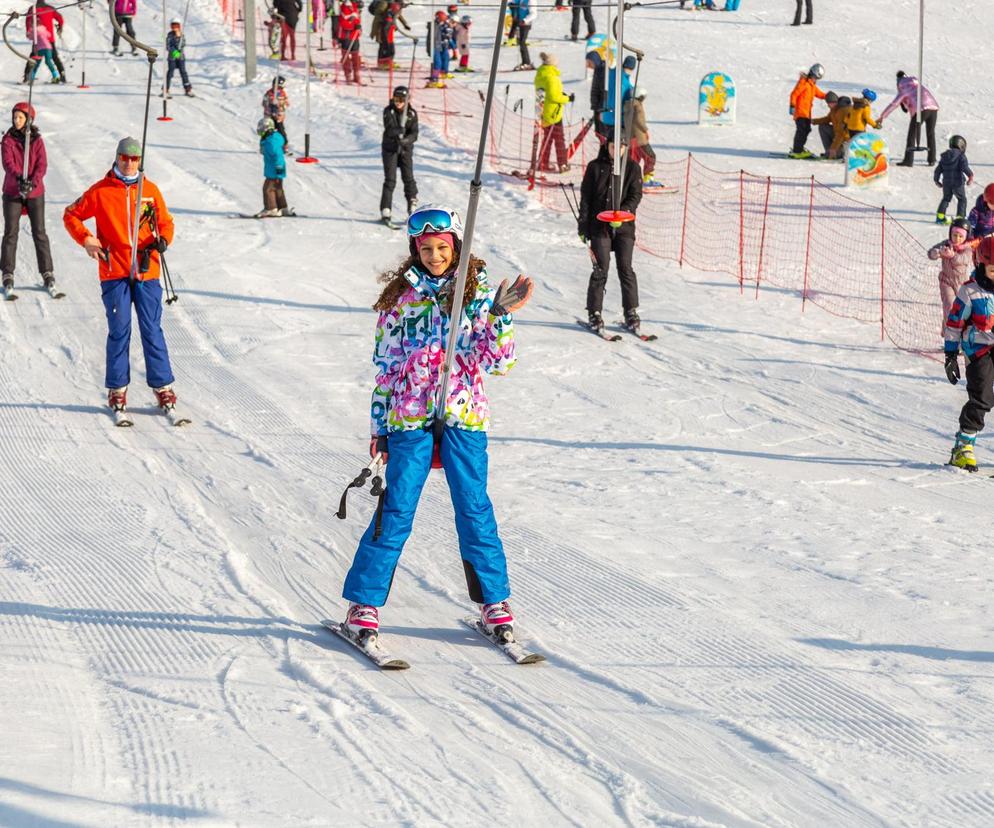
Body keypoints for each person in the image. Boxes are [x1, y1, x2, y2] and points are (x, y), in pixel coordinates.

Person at [339, 205, 534, 642]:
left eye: (442, 248)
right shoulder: (400, 299)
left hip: (464, 414)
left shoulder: (476, 294)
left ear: (456, 247)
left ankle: (494, 603)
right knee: (396, 510)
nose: (434, 256)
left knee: (474, 509)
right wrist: (379, 427)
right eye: (425, 248)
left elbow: (499, 362)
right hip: (410, 417)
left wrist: (499, 317)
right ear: (415, 249)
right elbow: (386, 367)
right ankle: (362, 607)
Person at [62, 137, 179, 418]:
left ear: (140, 162)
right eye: (124, 157)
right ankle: (117, 389)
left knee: (152, 328)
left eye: (134, 159)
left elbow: (165, 222)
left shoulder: (149, 190)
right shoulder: (101, 191)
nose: (128, 163)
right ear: (116, 158)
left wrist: (164, 239)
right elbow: (71, 215)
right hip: (113, 269)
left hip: (146, 268)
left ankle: (162, 387)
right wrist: (88, 239)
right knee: (120, 329)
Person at [578, 138, 643, 333]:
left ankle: (631, 311)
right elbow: (586, 198)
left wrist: (622, 213)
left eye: (621, 147)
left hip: (624, 228)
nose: (617, 150)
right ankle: (594, 313)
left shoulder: (632, 168)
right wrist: (583, 226)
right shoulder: (595, 167)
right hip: (599, 227)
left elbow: (635, 195)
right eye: (614, 146)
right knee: (600, 269)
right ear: (607, 146)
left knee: (626, 268)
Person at [944, 237, 994, 471]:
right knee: (982, 397)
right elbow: (954, 323)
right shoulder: (970, 290)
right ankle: (963, 447)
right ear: (982, 265)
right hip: (979, 350)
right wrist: (951, 355)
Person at [1, 102, 56, 295]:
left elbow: (42, 164)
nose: (16, 121)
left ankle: (47, 272)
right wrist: (19, 178)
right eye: (14, 117)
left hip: (35, 192)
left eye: (20, 118)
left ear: (29, 120)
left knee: (39, 232)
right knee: (10, 233)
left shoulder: (36, 140)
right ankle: (7, 273)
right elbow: (8, 163)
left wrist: (32, 182)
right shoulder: (7, 140)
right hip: (12, 192)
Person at [878, 70, 938, 167]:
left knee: (912, 134)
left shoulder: (904, 89)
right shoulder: (917, 85)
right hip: (933, 107)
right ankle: (932, 159)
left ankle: (908, 160)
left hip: (921, 109)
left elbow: (894, 104)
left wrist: (882, 116)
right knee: (930, 133)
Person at [380, 86, 418, 224]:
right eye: (396, 99)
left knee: (409, 178)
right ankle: (386, 210)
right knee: (390, 180)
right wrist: (398, 131)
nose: (398, 102)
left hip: (405, 150)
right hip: (390, 149)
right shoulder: (388, 111)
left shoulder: (411, 114)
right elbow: (389, 129)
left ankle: (412, 207)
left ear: (407, 100)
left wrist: (406, 140)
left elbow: (415, 133)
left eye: (401, 99)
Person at [929, 219, 974, 328]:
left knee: (961, 310)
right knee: (949, 306)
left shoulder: (967, 248)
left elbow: (963, 259)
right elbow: (931, 252)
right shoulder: (946, 244)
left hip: (962, 284)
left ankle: (960, 333)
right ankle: (947, 332)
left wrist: (952, 256)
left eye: (960, 236)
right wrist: (935, 253)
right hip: (946, 281)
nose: (957, 238)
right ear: (950, 234)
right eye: (955, 235)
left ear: (966, 237)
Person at [533, 52, 573, 173]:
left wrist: (561, 95)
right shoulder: (552, 78)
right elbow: (555, 96)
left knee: (547, 139)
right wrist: (568, 98)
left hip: (542, 111)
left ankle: (543, 162)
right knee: (559, 139)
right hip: (553, 113)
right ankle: (563, 164)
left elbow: (548, 93)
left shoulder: (540, 74)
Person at [257, 117, 294, 218]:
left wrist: (278, 168)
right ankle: (283, 208)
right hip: (276, 169)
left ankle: (271, 208)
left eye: (261, 129)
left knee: (268, 188)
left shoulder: (271, 142)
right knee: (278, 189)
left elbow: (277, 155)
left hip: (275, 169)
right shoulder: (273, 139)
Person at [788, 62, 826, 159]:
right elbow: (794, 94)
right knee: (802, 131)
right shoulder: (803, 83)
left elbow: (820, 94)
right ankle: (797, 151)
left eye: (817, 78)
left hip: (806, 113)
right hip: (800, 112)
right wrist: (792, 106)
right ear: (811, 73)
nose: (815, 79)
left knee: (807, 130)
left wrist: (829, 96)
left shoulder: (811, 85)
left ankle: (799, 148)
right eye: (815, 77)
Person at [933, 136, 974, 225]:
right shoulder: (961, 156)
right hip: (958, 183)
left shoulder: (944, 157)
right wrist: (970, 176)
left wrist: (936, 180)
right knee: (962, 199)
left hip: (947, 183)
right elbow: (964, 167)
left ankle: (940, 218)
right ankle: (960, 219)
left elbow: (938, 170)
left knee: (946, 199)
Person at [23, 1, 66, 84]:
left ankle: (27, 76)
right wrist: (60, 27)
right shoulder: (50, 8)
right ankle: (62, 75)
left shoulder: (33, 9)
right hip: (49, 40)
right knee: (54, 57)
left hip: (37, 40)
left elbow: (28, 20)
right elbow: (60, 18)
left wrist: (29, 31)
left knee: (33, 58)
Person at [628, 86, 658, 186]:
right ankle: (647, 179)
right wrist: (645, 129)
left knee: (634, 160)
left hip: (632, 138)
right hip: (639, 138)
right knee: (650, 156)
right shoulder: (637, 106)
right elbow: (638, 120)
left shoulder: (628, 105)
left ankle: (630, 180)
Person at [602, 55, 635, 137]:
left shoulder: (612, 73)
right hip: (615, 120)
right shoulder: (625, 85)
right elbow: (617, 102)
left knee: (607, 144)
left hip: (605, 115)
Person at [165, 17, 193, 98]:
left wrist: (179, 37)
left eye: (176, 25)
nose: (175, 27)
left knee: (183, 72)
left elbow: (183, 44)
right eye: (173, 25)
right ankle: (166, 89)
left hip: (181, 58)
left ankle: (188, 89)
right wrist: (175, 53)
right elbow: (168, 46)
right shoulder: (169, 35)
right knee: (170, 73)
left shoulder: (181, 35)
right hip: (172, 58)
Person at [262, 76, 291, 150]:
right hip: (269, 116)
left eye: (280, 88)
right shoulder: (269, 93)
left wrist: (281, 104)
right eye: (277, 87)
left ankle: (285, 146)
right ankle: (263, 146)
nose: (278, 89)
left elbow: (286, 103)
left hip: (278, 117)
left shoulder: (283, 93)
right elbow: (264, 103)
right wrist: (271, 103)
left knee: (281, 130)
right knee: (267, 131)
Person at [338, 0, 362, 83]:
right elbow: (342, 23)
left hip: (355, 35)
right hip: (346, 36)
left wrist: (358, 26)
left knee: (356, 56)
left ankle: (357, 75)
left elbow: (357, 19)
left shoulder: (355, 6)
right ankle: (348, 75)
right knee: (346, 57)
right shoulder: (344, 7)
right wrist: (352, 25)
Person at [427, 10, 453, 86]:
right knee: (437, 63)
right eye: (442, 20)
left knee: (440, 62)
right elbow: (432, 39)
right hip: (434, 48)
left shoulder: (438, 25)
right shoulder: (434, 26)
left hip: (438, 47)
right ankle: (434, 80)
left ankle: (436, 77)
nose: (443, 22)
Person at [586, 50, 607, 140]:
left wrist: (600, 107)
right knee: (599, 133)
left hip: (601, 108)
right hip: (598, 107)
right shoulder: (598, 70)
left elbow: (604, 92)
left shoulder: (603, 72)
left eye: (589, 62)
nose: (587, 65)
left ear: (595, 61)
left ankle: (605, 152)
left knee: (602, 133)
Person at [511, 0, 534, 71]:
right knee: (520, 42)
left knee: (522, 42)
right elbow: (514, 4)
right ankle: (525, 62)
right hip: (519, 22)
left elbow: (533, 14)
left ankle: (527, 62)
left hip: (526, 24)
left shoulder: (531, 1)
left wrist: (525, 20)